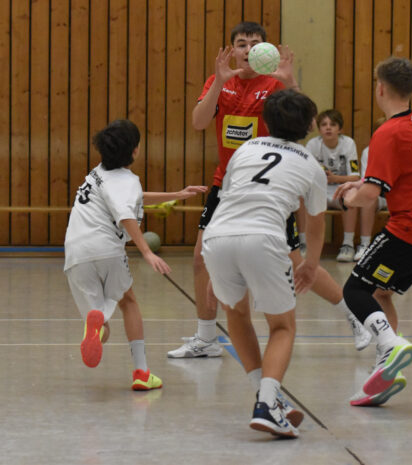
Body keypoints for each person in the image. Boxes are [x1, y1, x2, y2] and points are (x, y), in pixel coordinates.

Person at [167, 21, 370, 361]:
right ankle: (206, 338)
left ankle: (353, 316)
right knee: (200, 256)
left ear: (266, 49)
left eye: (254, 43)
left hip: (268, 189)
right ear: (232, 51)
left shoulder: (275, 84)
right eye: (241, 44)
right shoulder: (219, 82)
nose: (248, 49)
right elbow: (199, 122)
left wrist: (290, 81)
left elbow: (307, 123)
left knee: (296, 262)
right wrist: (219, 82)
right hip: (226, 184)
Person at [202, 89, 326, 438]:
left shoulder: (244, 149)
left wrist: (213, 269)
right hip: (265, 239)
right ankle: (268, 405)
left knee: (236, 313)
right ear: (310, 126)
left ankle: (266, 397)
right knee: (282, 327)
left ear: (266, 123)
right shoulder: (311, 165)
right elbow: (316, 223)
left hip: (217, 237)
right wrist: (311, 264)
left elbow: (226, 197)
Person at [334, 57, 412, 406]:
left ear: (380, 88)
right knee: (381, 292)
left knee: (355, 290)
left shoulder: (387, 132)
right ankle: (386, 372)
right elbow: (401, 174)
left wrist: (349, 199)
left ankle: (390, 344)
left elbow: (370, 196)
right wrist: (363, 182)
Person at [64, 119, 206, 390]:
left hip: (75, 252)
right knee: (128, 302)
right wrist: (146, 252)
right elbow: (125, 213)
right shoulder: (127, 181)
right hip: (106, 248)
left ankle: (97, 329)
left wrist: (176, 194)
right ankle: (141, 372)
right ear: (135, 151)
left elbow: (132, 198)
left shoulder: (96, 173)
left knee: (101, 324)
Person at [303, 109, 361, 262]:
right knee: (301, 195)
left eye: (333, 124)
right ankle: (304, 243)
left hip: (340, 190)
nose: (328, 128)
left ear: (340, 129)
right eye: (324, 124)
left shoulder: (348, 143)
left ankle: (348, 245)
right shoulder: (312, 145)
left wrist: (335, 178)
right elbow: (306, 174)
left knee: (352, 195)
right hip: (319, 191)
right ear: (319, 129)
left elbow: (355, 176)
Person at [354, 117, 387, 262]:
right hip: (379, 194)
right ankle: (365, 245)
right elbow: (366, 180)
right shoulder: (368, 151)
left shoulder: (402, 150)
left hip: (398, 195)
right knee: (368, 197)